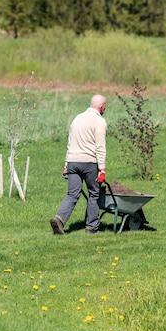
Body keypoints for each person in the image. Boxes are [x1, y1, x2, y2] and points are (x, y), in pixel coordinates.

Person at [50, 95, 107, 234]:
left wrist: (66, 163)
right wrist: (102, 169)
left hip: (73, 162)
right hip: (89, 163)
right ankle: (92, 228)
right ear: (101, 107)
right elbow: (100, 147)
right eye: (105, 107)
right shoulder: (99, 121)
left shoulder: (77, 119)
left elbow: (70, 143)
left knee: (72, 194)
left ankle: (59, 219)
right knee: (94, 194)